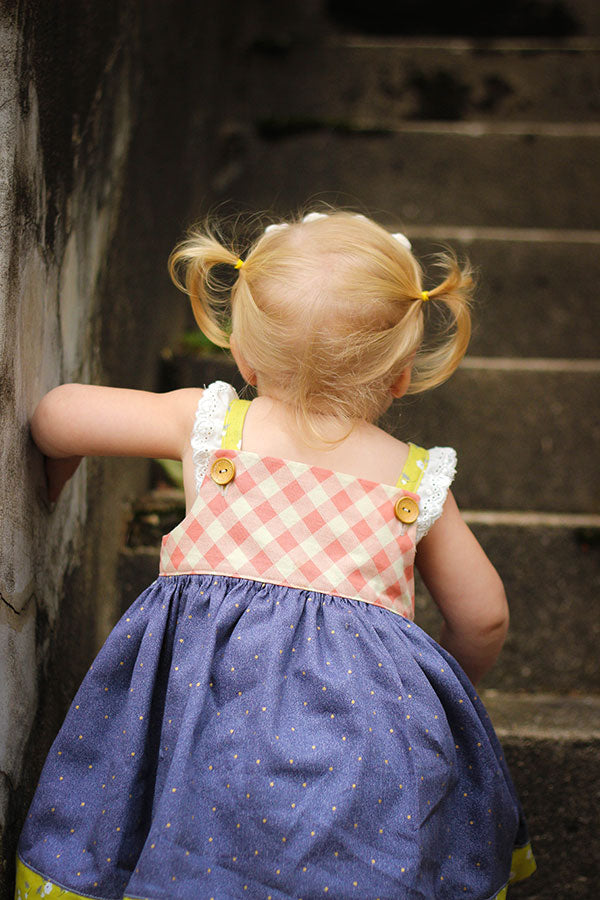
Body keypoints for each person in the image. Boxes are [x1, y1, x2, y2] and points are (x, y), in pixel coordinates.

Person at [16, 210, 536, 900]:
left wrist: (56, 476)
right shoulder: (415, 479)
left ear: (243, 355)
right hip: (362, 751)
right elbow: (485, 617)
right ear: (403, 374)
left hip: (202, 721)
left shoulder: (211, 426)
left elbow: (55, 414)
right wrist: (436, 696)